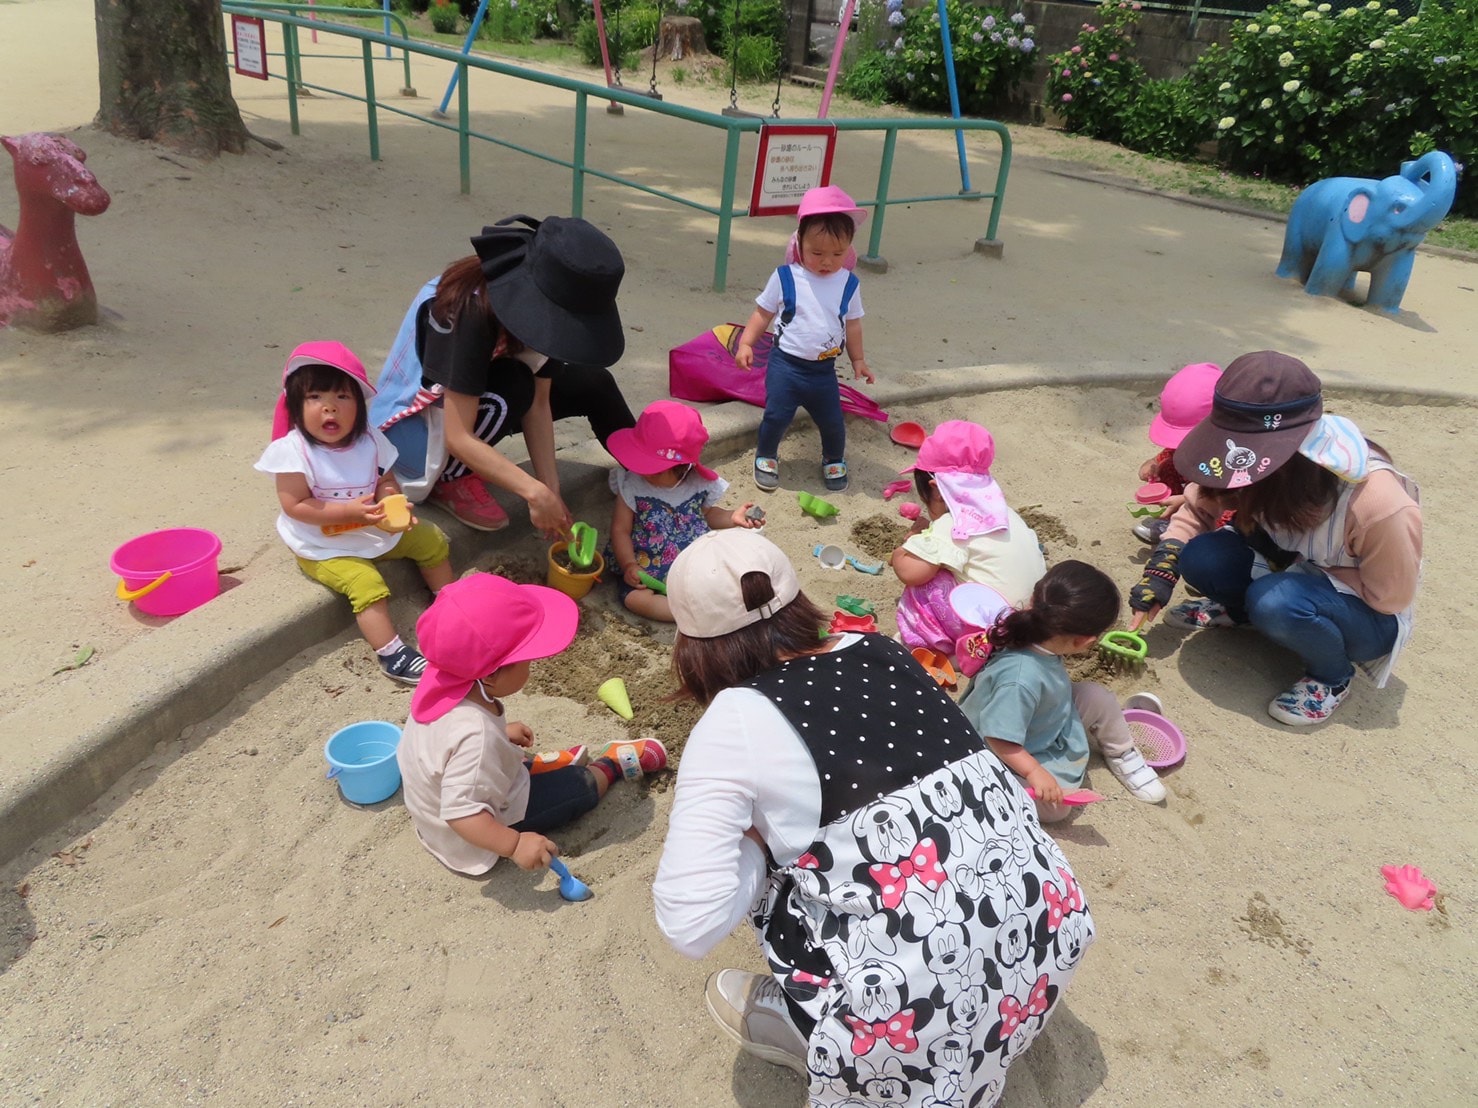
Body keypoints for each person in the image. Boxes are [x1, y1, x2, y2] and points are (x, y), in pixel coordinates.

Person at [653, 530, 1093, 1107]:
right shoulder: (879, 649)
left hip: (915, 1017)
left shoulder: (733, 718)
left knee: (783, 869)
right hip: (1047, 942)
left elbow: (690, 924)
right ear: (796, 601)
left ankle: (823, 1031)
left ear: (690, 642)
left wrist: (761, 843)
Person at [1128, 350, 1421, 725]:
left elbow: (1391, 597)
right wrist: (1161, 571)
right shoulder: (1258, 470)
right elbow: (1199, 509)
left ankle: (1331, 677)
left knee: (1276, 599)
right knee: (1202, 556)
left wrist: (1300, 576)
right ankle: (1245, 612)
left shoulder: (1375, 502)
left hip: (1364, 613)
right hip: (1287, 570)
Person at [371, 215, 637, 535]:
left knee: (595, 383)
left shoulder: (545, 313)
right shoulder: (465, 310)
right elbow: (458, 435)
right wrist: (533, 492)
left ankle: (650, 480)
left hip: (481, 396)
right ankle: (450, 479)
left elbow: (539, 405)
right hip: (415, 432)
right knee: (513, 385)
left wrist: (552, 490)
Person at [397, 573, 668, 876]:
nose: (532, 665)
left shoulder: (443, 678)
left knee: (504, 764)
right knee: (578, 790)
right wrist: (514, 844)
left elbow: (446, 743)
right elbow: (462, 813)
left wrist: (500, 734)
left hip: (435, 812)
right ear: (490, 676)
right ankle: (611, 763)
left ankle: (535, 766)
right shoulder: (476, 736)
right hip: (472, 830)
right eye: (526, 661)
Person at [255, 341, 453, 685]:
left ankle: (450, 602)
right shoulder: (292, 452)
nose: (329, 408)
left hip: (372, 526)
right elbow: (295, 506)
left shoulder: (370, 441)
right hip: (322, 544)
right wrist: (349, 511)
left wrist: (392, 502)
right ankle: (392, 653)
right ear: (296, 406)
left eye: (343, 398)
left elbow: (386, 479)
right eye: (315, 397)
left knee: (431, 539)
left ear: (360, 407)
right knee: (366, 583)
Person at [959, 561, 1168, 822]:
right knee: (1057, 808)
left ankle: (1123, 752)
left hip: (1039, 716)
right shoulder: (1020, 679)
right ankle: (995, 793)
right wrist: (1035, 772)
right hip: (997, 751)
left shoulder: (1030, 631)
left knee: (1097, 697)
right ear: (1085, 641)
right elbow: (998, 739)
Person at [735, 185, 875, 494]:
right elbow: (763, 313)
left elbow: (852, 325)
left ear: (849, 247)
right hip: (785, 366)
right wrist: (746, 343)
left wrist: (859, 360)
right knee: (776, 415)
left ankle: (833, 458)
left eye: (837, 254)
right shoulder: (786, 276)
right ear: (799, 242)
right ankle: (767, 456)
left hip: (823, 371)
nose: (827, 261)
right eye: (817, 253)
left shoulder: (848, 283)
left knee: (833, 421)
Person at [888, 421, 1045, 664]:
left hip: (992, 635)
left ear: (937, 491)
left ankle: (941, 649)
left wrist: (907, 546)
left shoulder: (954, 523)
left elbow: (910, 573)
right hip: (1030, 622)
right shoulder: (1007, 514)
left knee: (926, 582)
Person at [606, 400, 763, 622]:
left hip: (693, 563)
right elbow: (620, 529)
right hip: (647, 563)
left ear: (682, 468)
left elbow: (707, 515)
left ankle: (712, 605)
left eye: (653, 467)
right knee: (635, 599)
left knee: (722, 576)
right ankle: (688, 615)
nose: (644, 471)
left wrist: (731, 517)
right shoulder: (631, 483)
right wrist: (628, 564)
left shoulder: (697, 483)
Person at [1132, 362, 1222, 545]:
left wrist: (1185, 502)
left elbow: (1229, 496)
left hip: (1219, 506)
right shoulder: (1185, 448)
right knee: (1167, 466)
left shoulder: (1228, 453)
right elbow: (1164, 456)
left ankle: (1194, 529)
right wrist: (1151, 466)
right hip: (1192, 494)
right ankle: (1169, 520)